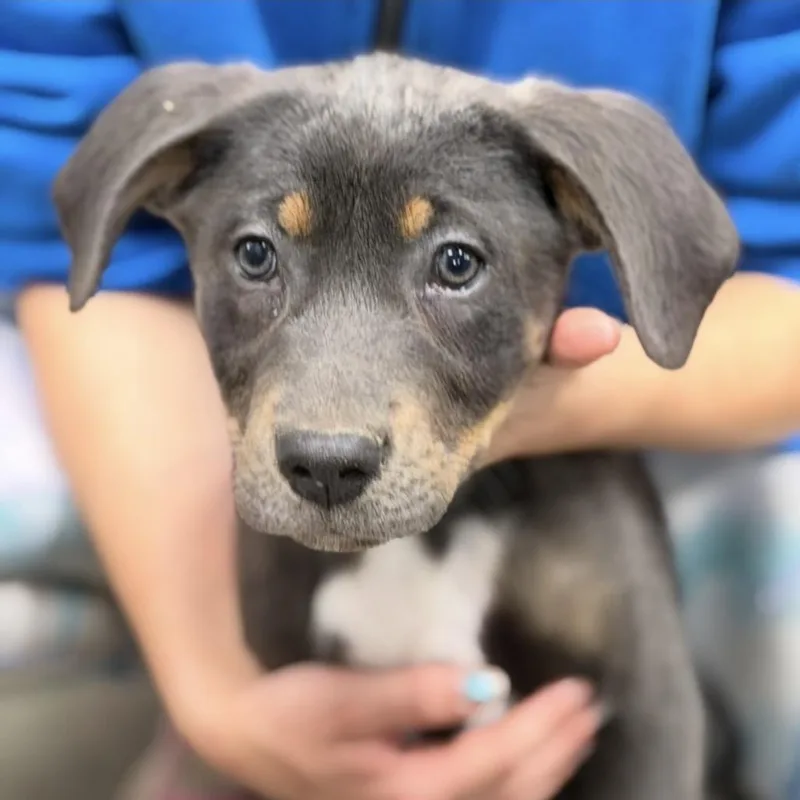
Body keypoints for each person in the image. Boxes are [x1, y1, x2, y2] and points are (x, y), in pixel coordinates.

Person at [2, 1, 800, 798]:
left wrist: (568, 401)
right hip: (171, 414)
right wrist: (212, 694)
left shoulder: (585, 528)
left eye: (455, 264)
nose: (329, 430)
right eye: (257, 254)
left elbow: (650, 726)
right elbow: (44, 207)